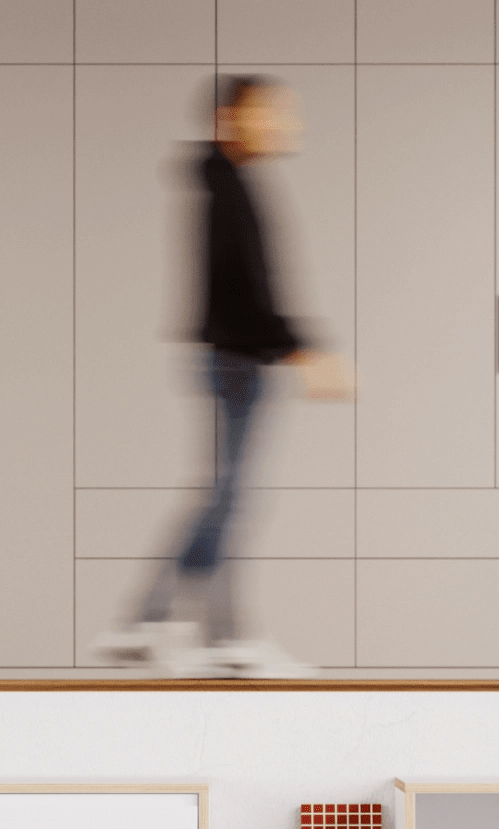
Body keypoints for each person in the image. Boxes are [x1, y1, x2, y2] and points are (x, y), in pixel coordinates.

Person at [97, 75, 351, 677]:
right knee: (228, 496)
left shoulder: (228, 183)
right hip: (237, 359)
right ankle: (174, 628)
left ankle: (195, 633)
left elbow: (248, 291)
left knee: (229, 497)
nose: (290, 124)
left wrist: (296, 349)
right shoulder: (227, 191)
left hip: (238, 357)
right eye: (273, 113)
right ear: (229, 118)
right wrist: (304, 352)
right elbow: (245, 293)